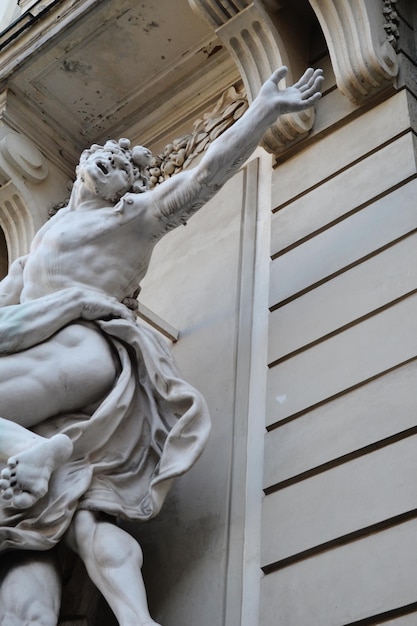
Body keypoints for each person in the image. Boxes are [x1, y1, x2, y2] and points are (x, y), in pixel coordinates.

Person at [0, 67, 323, 626]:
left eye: (127, 166)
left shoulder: (130, 219)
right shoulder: (38, 245)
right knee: (74, 518)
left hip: (81, 350)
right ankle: (135, 618)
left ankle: (41, 450)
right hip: (57, 370)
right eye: (108, 153)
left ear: (129, 189)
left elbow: (199, 179)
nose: (115, 161)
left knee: (46, 481)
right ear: (83, 164)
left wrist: (262, 112)